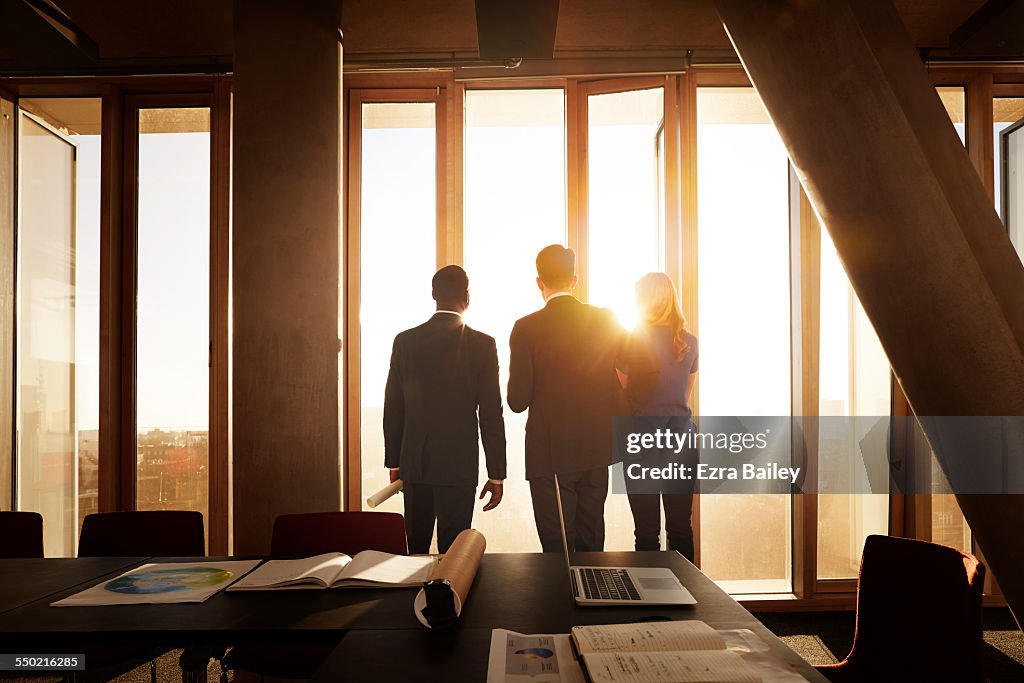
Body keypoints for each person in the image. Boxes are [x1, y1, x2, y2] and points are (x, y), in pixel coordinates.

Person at [508, 245, 625, 552]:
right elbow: (633, 370)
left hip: (550, 453)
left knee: (557, 554)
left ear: (539, 282)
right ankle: (594, 597)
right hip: (598, 449)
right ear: (574, 280)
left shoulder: (526, 327)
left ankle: (561, 601)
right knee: (592, 544)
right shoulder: (606, 319)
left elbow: (517, 400)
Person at [384, 265, 506, 554]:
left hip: (416, 461)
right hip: (459, 464)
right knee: (454, 556)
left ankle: (414, 599)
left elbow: (394, 406)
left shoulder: (405, 341)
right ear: (467, 297)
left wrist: (395, 462)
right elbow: (491, 413)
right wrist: (496, 473)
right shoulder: (483, 344)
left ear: (433, 294)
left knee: (414, 552)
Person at [617, 272, 698, 562]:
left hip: (642, 439)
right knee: (680, 528)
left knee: (647, 532)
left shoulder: (630, 340)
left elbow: (625, 391)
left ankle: (649, 600)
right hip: (680, 439)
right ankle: (688, 598)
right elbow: (683, 395)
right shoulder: (688, 342)